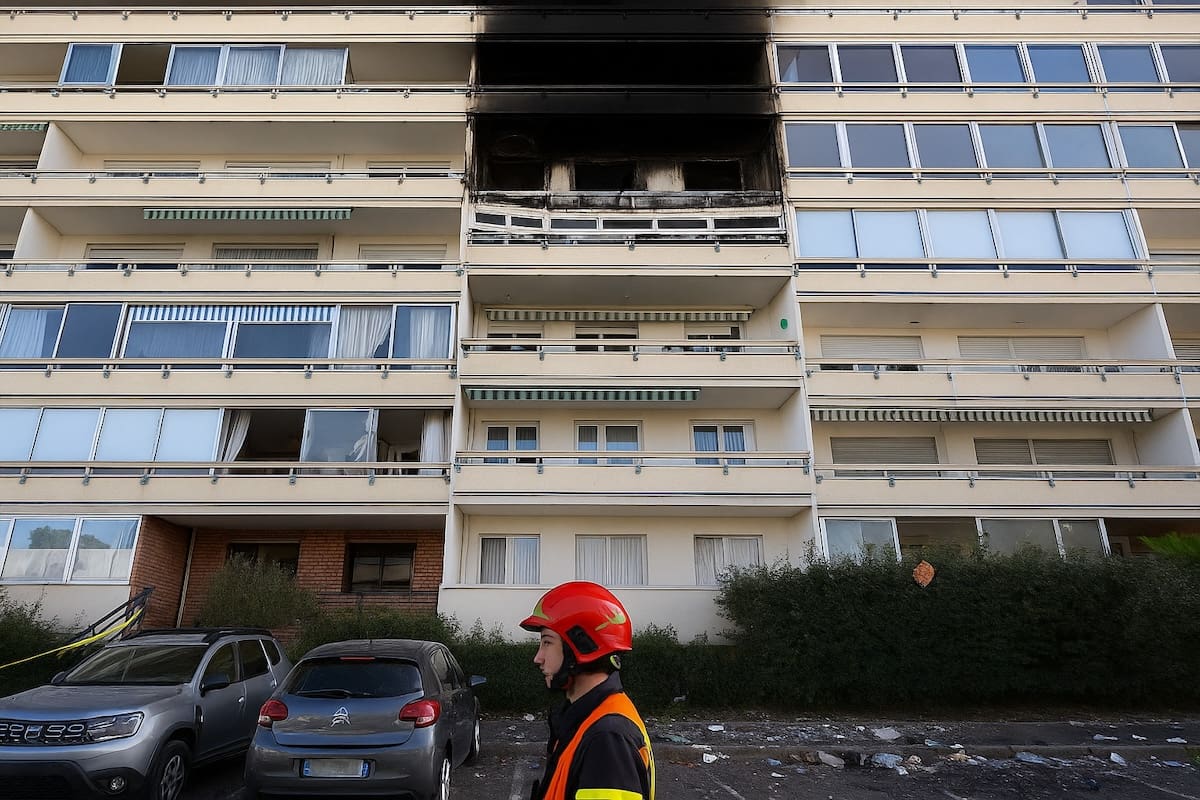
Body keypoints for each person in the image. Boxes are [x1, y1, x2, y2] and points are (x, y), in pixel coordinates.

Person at [520, 581, 655, 800]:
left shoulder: (607, 739)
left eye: (547, 642)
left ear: (582, 645)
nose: (538, 658)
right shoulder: (587, 717)